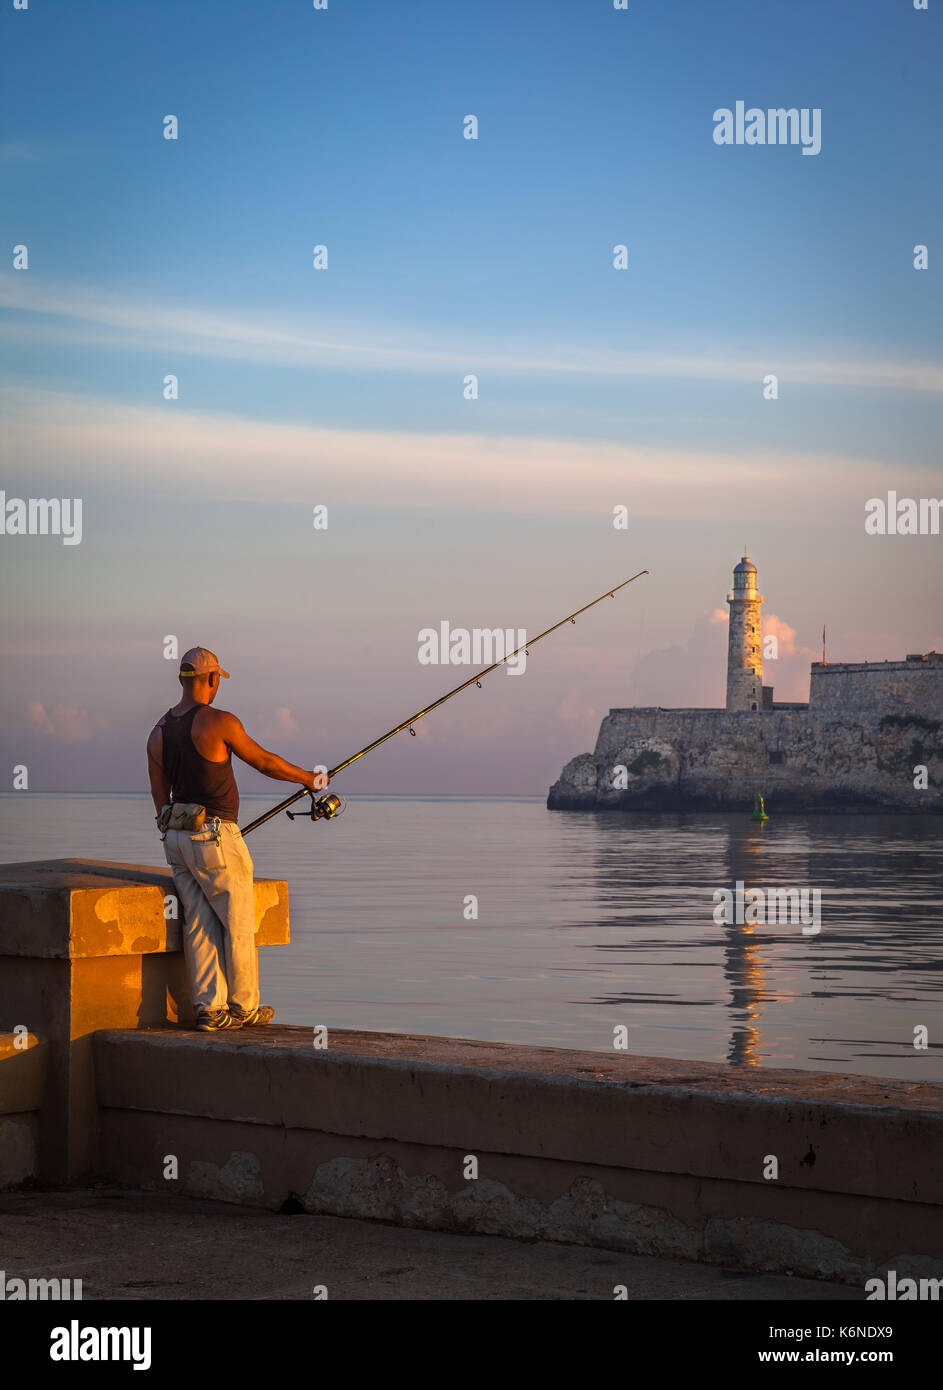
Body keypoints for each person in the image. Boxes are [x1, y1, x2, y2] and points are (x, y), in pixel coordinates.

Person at [146, 646, 327, 1031]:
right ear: (211, 680)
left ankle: (210, 1010)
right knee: (239, 921)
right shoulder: (218, 721)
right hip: (215, 836)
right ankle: (244, 1007)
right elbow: (264, 761)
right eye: (217, 680)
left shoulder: (158, 732)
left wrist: (173, 831)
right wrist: (308, 779)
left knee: (198, 923)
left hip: (177, 838)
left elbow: (160, 798)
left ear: (182, 680)